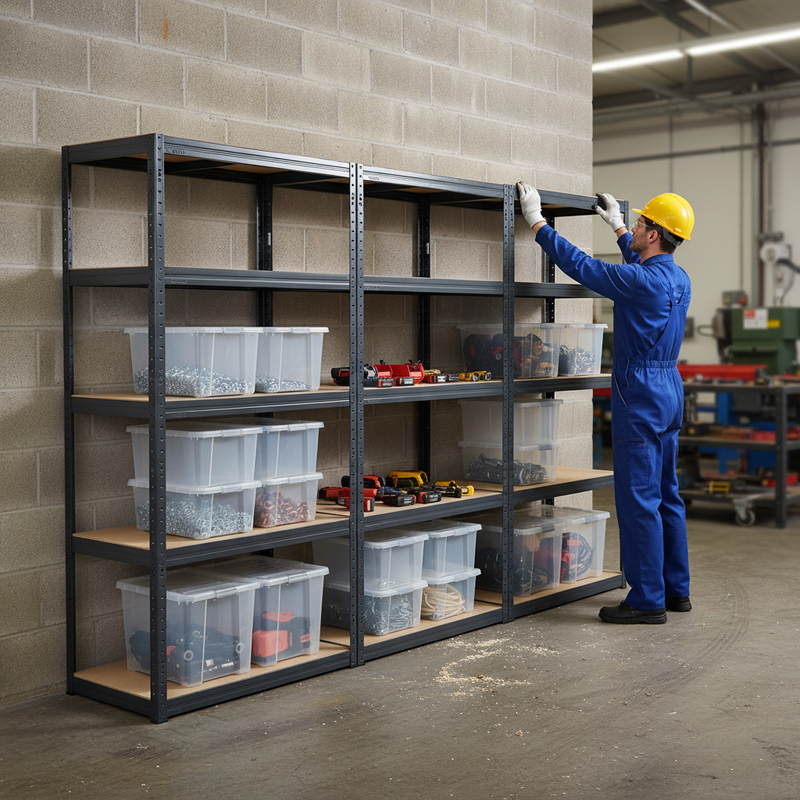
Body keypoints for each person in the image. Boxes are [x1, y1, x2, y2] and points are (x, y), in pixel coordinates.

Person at [517, 182, 694, 624]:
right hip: (670, 386)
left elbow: (584, 267)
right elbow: (640, 269)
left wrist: (537, 223)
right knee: (667, 494)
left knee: (639, 498)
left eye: (639, 223)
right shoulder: (677, 278)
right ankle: (677, 590)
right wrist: (617, 226)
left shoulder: (638, 281)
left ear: (654, 234)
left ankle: (646, 601)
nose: (634, 226)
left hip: (641, 390)